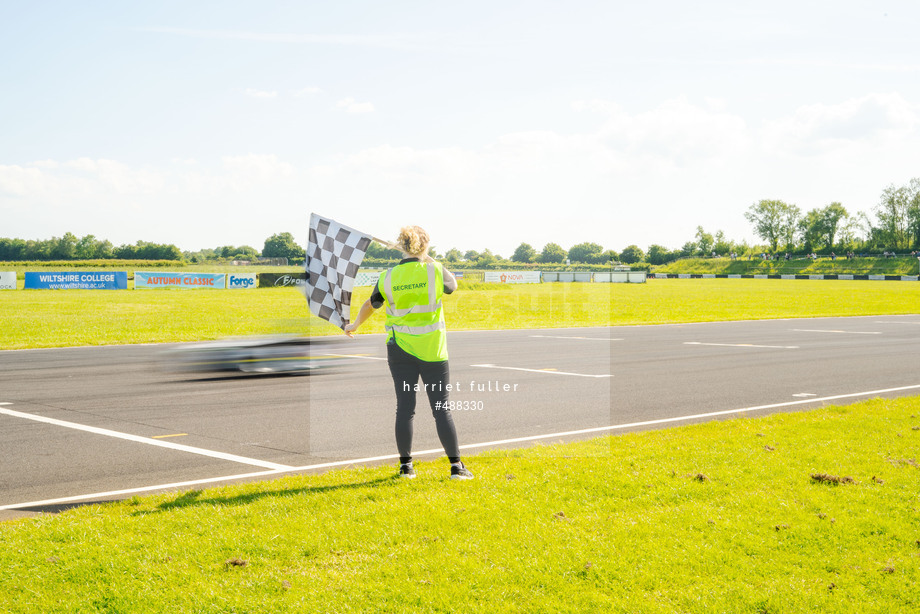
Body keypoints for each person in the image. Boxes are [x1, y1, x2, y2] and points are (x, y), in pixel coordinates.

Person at [344, 225, 473, 481]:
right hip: (432, 351)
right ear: (424, 246)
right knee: (441, 408)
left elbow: (372, 304)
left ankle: (406, 467)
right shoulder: (434, 269)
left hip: (400, 350)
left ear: (400, 247)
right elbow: (452, 286)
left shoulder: (387, 277)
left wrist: (355, 324)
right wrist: (430, 258)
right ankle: (456, 467)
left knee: (405, 408)